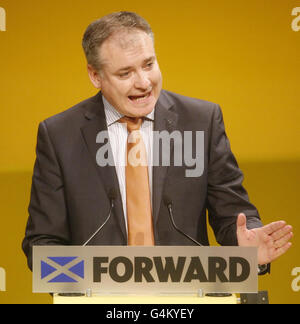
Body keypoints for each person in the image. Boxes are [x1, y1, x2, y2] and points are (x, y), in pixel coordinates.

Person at [22, 11, 293, 273]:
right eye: (125, 73)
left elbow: (233, 215)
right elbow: (42, 245)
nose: (144, 82)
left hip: (186, 298)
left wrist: (248, 249)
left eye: (149, 65)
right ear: (95, 76)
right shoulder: (59, 135)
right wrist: (94, 276)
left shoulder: (201, 121)